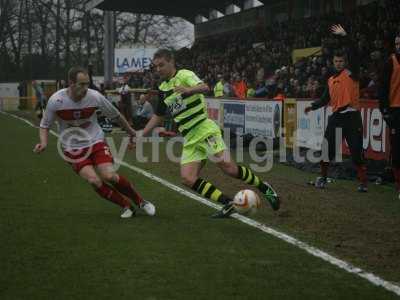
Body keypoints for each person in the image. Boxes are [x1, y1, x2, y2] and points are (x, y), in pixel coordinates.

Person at [137, 49, 280, 217]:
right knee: (188, 178)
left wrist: (188, 90)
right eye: (156, 66)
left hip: (204, 129)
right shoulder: (162, 88)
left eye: (162, 65)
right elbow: (158, 116)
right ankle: (228, 204)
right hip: (190, 138)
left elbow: (204, 87)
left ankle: (265, 188)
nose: (159, 69)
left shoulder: (184, 74)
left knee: (230, 169)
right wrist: (142, 133)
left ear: (171, 62)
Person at [33, 67, 155, 218]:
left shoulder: (95, 97)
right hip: (72, 149)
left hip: (95, 141)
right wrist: (43, 142)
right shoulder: (56, 100)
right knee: (94, 180)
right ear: (71, 83)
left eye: (87, 84)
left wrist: (132, 133)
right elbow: (45, 125)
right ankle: (126, 206)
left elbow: (116, 116)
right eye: (81, 84)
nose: (86, 88)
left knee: (109, 176)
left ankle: (141, 201)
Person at [305, 24, 368, 192]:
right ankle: (323, 178)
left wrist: (345, 35)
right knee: (327, 150)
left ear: (345, 62)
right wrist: (313, 106)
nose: (339, 63)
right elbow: (326, 98)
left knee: (356, 152)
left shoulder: (352, 73)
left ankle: (363, 183)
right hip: (336, 118)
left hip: (352, 118)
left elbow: (354, 53)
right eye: (336, 61)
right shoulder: (331, 79)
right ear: (333, 63)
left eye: (341, 61)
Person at [379, 33, 400, 199]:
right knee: (397, 149)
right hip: (395, 111)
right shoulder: (389, 62)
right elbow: (382, 88)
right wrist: (385, 111)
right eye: (397, 43)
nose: (398, 45)